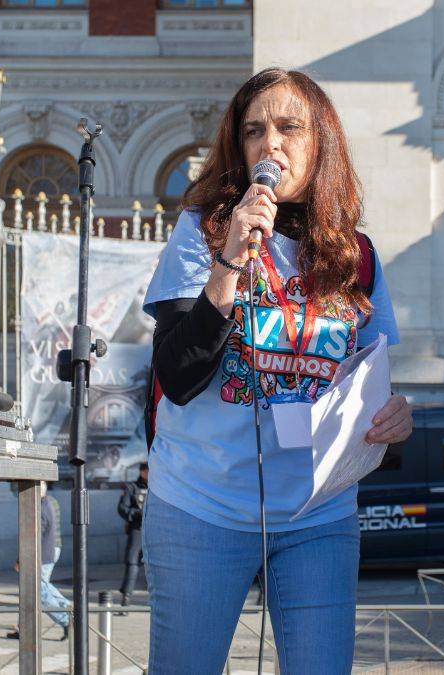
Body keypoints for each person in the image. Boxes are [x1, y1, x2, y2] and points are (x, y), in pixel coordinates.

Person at [141, 67, 411, 674]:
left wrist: (393, 418)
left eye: (290, 128)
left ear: (321, 143)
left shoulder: (357, 255)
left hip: (320, 513)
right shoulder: (203, 232)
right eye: (254, 131)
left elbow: (372, 384)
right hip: (201, 503)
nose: (271, 144)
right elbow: (178, 377)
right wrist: (229, 263)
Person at [8, 483, 70, 641]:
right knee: (37, 587)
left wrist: (21, 559)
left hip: (41, 554)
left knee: (38, 592)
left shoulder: (39, 508)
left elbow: (35, 536)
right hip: (49, 551)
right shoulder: (51, 501)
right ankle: (25, 628)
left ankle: (66, 619)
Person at [117, 462, 148, 606]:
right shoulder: (132, 487)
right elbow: (122, 508)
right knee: (132, 561)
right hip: (138, 528)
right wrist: (138, 514)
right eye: (147, 471)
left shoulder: (159, 488)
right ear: (142, 472)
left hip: (156, 530)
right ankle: (126, 596)